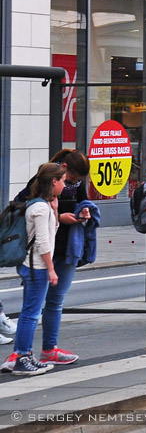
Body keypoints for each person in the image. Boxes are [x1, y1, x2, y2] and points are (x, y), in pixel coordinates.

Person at [12, 148, 91, 367]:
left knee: (52, 303)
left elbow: (81, 203)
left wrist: (81, 213)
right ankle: (21, 355)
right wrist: (50, 268)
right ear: (61, 173)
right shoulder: (41, 185)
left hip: (64, 246)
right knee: (32, 309)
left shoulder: (69, 187)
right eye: (69, 180)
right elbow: (39, 233)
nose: (69, 185)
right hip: (41, 256)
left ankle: (45, 349)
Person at [1, 163, 65, 376]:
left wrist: (55, 211)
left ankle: (24, 355)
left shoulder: (43, 205)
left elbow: (51, 230)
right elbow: (43, 243)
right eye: (63, 180)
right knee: (30, 313)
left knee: (30, 311)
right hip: (36, 267)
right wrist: (51, 269)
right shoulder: (38, 208)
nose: (64, 185)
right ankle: (21, 357)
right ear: (53, 182)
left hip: (35, 266)